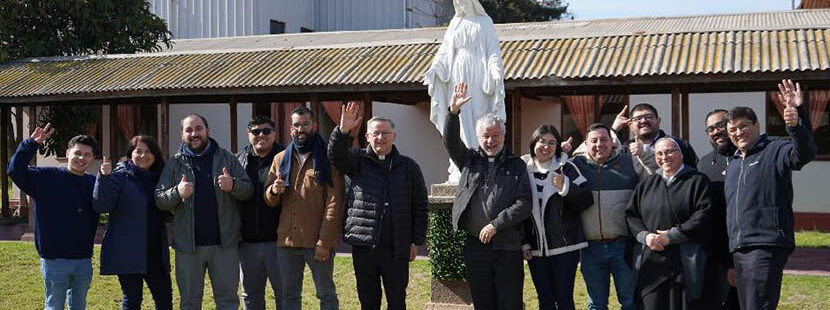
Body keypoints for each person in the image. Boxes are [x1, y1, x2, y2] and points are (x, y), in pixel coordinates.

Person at [725, 79, 816, 310]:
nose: (738, 133)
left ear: (757, 125)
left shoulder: (775, 148)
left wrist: (796, 123)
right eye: (732, 130)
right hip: (740, 246)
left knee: (759, 305)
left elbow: (803, 154)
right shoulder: (734, 162)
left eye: (743, 126)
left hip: (766, 242)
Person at [328, 102, 429, 310]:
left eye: (385, 133)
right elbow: (335, 155)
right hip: (365, 245)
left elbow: (420, 206)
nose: (380, 138)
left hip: (397, 246)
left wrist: (416, 240)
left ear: (394, 136)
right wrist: (342, 131)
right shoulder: (357, 160)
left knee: (397, 300)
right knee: (368, 300)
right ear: (367, 137)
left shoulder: (409, 167)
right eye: (375, 134)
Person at [443, 83, 531, 310]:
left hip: (507, 246)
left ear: (503, 135)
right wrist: (453, 113)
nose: (491, 141)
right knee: (483, 302)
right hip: (475, 247)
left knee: (509, 302)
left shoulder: (516, 165)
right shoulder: (469, 160)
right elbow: (450, 142)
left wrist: (496, 224)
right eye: (486, 136)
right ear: (478, 137)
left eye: (495, 136)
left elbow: (524, 203)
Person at [155, 114, 253, 310]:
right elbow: (159, 199)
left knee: (227, 302)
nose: (194, 134)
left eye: (198, 128)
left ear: (208, 131)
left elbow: (248, 190)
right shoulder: (174, 164)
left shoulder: (227, 158)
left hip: (224, 244)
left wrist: (233, 184)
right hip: (188, 247)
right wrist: (177, 192)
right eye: (189, 130)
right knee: (190, 302)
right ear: (182, 134)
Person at [8, 124, 99, 310]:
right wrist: (31, 144)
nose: (81, 158)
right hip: (55, 258)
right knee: (55, 305)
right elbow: (15, 171)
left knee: (79, 305)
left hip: (83, 258)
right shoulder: (46, 177)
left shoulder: (93, 183)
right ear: (67, 153)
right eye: (78, 153)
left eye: (87, 154)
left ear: (93, 158)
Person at [264, 106, 344, 310]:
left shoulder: (328, 159)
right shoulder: (280, 158)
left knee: (325, 294)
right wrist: (274, 190)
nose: (301, 129)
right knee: (289, 296)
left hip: (316, 242)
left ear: (314, 125)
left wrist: (324, 243)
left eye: (305, 124)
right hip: (286, 242)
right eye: (296, 125)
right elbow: (269, 199)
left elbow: (334, 204)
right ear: (291, 128)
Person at [625, 137, 714, 310]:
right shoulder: (647, 183)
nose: (664, 157)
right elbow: (631, 216)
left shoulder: (697, 181)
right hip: (651, 262)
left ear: (681, 153)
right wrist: (646, 236)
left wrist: (672, 236)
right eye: (659, 153)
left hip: (684, 261)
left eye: (670, 151)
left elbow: (704, 215)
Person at [425, 0, 505, 181]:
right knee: (460, 116)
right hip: (458, 74)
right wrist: (435, 69)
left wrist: (495, 70)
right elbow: (444, 51)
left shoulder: (485, 22)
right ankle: (460, 165)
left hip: (479, 74)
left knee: (479, 116)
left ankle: (480, 160)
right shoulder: (455, 23)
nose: (461, 4)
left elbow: (492, 50)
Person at [93, 135, 173, 310]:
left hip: (155, 251)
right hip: (128, 250)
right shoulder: (119, 176)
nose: (143, 155)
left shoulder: (160, 177)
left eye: (148, 151)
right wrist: (103, 177)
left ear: (156, 155)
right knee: (132, 299)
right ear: (130, 154)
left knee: (164, 298)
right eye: (139, 151)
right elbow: (102, 205)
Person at [520, 124, 594, 310]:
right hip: (535, 250)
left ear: (557, 146)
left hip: (565, 248)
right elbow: (519, 210)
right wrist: (524, 242)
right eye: (542, 141)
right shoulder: (522, 170)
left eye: (551, 143)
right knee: (544, 299)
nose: (546, 146)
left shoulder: (567, 168)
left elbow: (586, 199)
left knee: (564, 299)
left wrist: (566, 187)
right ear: (533, 143)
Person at [571, 123, 639, 310]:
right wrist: (561, 151)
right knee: (596, 304)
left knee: (629, 301)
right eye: (593, 140)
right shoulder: (575, 166)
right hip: (590, 247)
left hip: (622, 244)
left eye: (604, 139)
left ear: (612, 142)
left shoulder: (629, 162)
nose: (599, 144)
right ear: (585, 144)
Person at [235, 116, 285, 310]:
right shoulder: (237, 160)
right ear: (249, 136)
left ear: (274, 134)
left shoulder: (286, 158)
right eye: (256, 132)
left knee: (284, 294)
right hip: (247, 242)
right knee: (251, 295)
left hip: (279, 241)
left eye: (266, 131)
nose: (261, 135)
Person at [697, 109, 739, 309]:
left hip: (742, 246)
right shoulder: (704, 163)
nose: (716, 131)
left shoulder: (747, 157)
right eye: (710, 128)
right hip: (713, 249)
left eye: (720, 125)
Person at [611, 103, 698, 174]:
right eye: (638, 118)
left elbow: (692, 173)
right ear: (630, 125)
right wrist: (614, 130)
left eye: (649, 117)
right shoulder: (625, 149)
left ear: (658, 121)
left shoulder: (678, 145)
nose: (644, 121)